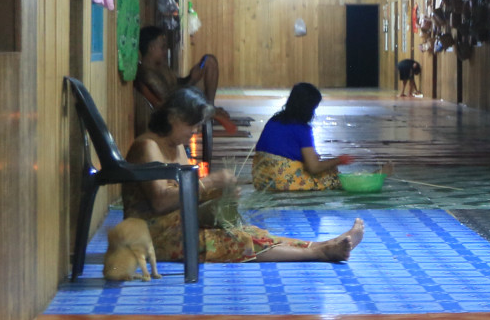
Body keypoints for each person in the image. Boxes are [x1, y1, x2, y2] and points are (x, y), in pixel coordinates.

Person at [123, 87, 364, 263]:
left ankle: (327, 244)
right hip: (153, 235)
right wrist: (210, 183)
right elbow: (160, 201)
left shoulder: (175, 146)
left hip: (182, 223)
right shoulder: (148, 147)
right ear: (174, 118)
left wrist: (221, 193)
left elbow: (186, 192)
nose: (195, 132)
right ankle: (318, 253)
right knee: (235, 241)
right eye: (192, 125)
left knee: (251, 232)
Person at [136, 25, 238, 135]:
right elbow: (172, 101)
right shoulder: (147, 74)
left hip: (182, 99)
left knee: (209, 61)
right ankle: (210, 110)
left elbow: (176, 86)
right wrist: (192, 80)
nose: (166, 51)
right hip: (175, 111)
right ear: (152, 48)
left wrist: (190, 77)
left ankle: (210, 106)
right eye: (163, 47)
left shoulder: (161, 67)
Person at [251, 82, 355, 191]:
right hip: (282, 182)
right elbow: (314, 167)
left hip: (261, 180)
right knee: (332, 177)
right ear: (308, 108)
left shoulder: (274, 120)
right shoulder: (302, 129)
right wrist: (339, 160)